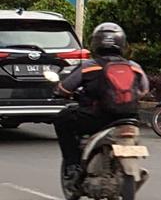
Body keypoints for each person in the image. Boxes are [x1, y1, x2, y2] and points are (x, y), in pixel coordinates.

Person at [52, 23, 148, 182]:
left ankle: (72, 164)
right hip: (129, 118)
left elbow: (65, 88)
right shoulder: (134, 67)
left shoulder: (89, 66)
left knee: (63, 118)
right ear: (122, 43)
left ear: (96, 43)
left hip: (97, 118)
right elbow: (144, 90)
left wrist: (60, 92)